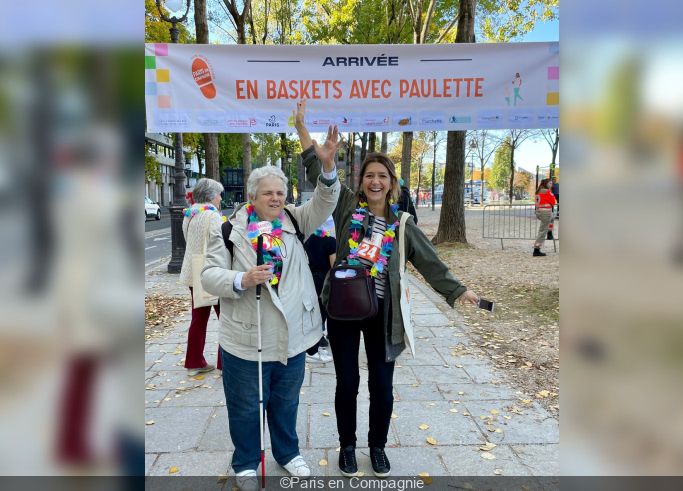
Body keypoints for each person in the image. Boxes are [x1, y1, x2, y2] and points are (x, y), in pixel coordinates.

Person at [295, 100, 480, 478]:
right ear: (361, 182)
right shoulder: (346, 206)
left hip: (383, 314)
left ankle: (376, 445)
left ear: (391, 183)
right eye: (369, 176)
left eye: (382, 176)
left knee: (382, 386)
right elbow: (322, 173)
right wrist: (305, 134)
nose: (375, 181)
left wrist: (458, 290)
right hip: (344, 310)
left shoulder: (404, 224)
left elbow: (429, 261)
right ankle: (347, 445)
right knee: (347, 383)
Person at [201, 125, 342, 485]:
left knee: (285, 402)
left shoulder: (295, 219)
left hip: (291, 336)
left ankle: (288, 453)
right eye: (268, 193)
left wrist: (326, 170)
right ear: (253, 197)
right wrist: (242, 280)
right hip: (246, 338)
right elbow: (208, 275)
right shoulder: (230, 230)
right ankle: (246, 461)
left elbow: (326, 200)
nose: (276, 198)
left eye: (281, 192)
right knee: (246, 406)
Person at [178, 178, 225, 376]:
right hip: (210, 272)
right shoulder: (212, 216)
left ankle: (194, 361)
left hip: (192, 271)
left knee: (199, 318)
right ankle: (225, 364)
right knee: (227, 318)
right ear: (212, 195)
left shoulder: (189, 214)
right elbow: (219, 244)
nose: (221, 198)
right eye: (219, 194)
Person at [304, 216, 336, 363]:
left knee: (313, 312)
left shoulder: (309, 239)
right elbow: (333, 265)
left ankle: (315, 344)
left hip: (310, 279)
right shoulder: (330, 241)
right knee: (322, 313)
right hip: (324, 281)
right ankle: (313, 349)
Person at [533, 178, 556, 256]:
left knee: (552, 218)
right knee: (542, 231)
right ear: (546, 184)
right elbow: (553, 202)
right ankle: (536, 249)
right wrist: (552, 195)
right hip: (545, 212)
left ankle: (549, 233)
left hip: (539, 211)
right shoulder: (547, 191)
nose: (551, 185)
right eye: (550, 183)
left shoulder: (538, 191)